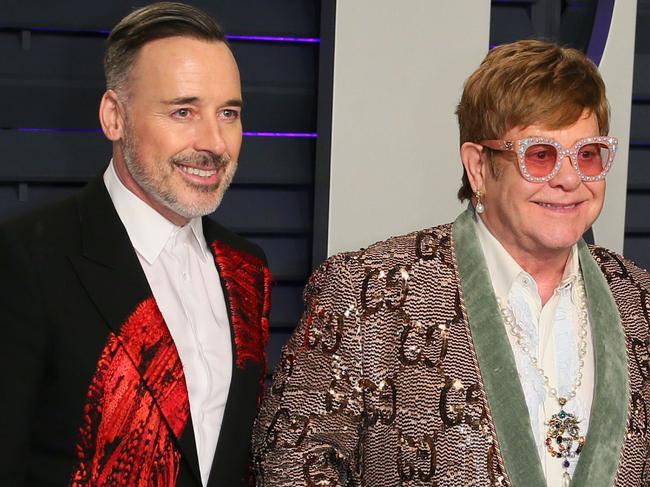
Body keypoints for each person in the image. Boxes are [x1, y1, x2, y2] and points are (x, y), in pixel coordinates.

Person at [253, 39, 649, 486]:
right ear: (478, 167)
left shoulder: (641, 300)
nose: (570, 179)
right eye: (540, 155)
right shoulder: (370, 290)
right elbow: (288, 461)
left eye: (588, 154)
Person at [0, 2, 270, 486]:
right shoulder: (24, 260)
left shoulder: (247, 269)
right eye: (183, 111)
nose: (214, 142)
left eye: (228, 113)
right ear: (114, 117)